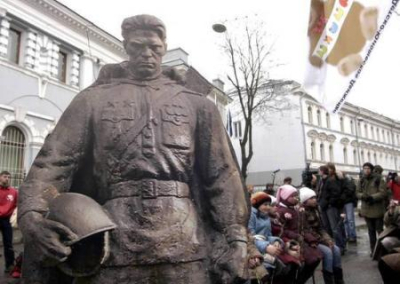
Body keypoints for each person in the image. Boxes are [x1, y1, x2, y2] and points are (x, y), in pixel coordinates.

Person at [17, 15, 249, 284]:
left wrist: (236, 238)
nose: (146, 54)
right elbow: (52, 163)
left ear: (164, 47)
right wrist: (31, 217)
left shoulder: (198, 105)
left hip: (186, 241)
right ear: (126, 46)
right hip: (112, 240)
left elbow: (221, 175)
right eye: (137, 46)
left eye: (154, 48)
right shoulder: (93, 100)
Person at [276, 185, 321, 284]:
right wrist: (295, 236)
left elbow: (303, 227)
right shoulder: (281, 211)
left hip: (300, 239)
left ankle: (300, 280)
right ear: (285, 197)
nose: (296, 198)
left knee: (316, 257)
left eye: (297, 196)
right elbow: (282, 230)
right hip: (289, 241)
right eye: (293, 196)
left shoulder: (296, 210)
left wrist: (311, 239)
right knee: (308, 260)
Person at [300, 187, 345, 284]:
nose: (315, 200)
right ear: (305, 200)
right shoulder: (302, 212)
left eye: (315, 197)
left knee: (336, 249)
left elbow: (321, 228)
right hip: (309, 241)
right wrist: (324, 241)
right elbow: (307, 231)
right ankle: (329, 281)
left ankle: (339, 280)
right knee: (327, 252)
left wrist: (328, 240)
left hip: (319, 238)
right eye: (311, 198)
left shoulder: (316, 209)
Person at [356, 162, 388, 256]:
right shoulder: (361, 180)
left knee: (379, 230)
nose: (366, 170)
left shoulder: (379, 179)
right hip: (366, 209)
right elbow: (357, 192)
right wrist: (363, 196)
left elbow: (383, 193)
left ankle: (382, 249)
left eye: (368, 168)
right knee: (370, 231)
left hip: (377, 209)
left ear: (371, 169)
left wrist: (372, 197)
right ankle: (373, 250)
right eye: (365, 168)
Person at [316, 164, 346, 253]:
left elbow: (335, 193)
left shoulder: (330, 181)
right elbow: (320, 193)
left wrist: (329, 203)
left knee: (335, 228)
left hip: (330, 207)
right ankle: (331, 245)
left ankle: (341, 246)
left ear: (322, 171)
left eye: (319, 170)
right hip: (324, 206)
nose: (318, 172)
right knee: (327, 227)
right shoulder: (321, 181)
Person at [0, 171, 18, 273]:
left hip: (7, 220)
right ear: (0, 178)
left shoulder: (14, 192)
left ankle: (10, 265)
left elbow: (17, 205)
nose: (7, 179)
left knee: (8, 244)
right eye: (5, 176)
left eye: (8, 177)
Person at [341, 173, 358, 243]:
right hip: (344, 202)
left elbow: (350, 190)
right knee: (346, 220)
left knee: (350, 219)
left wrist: (342, 196)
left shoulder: (348, 181)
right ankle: (349, 235)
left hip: (348, 202)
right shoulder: (343, 181)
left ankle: (352, 235)